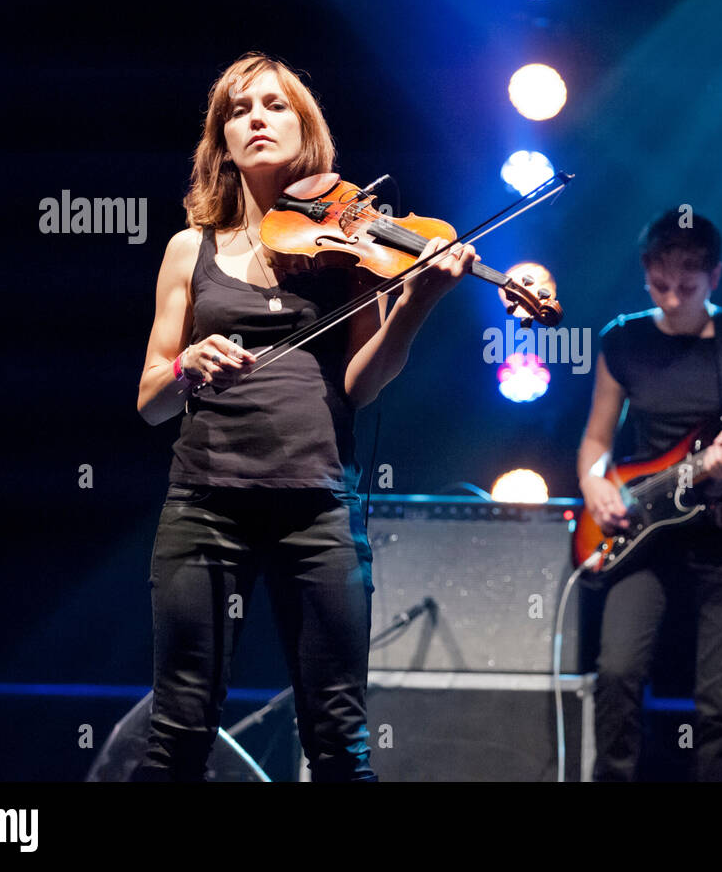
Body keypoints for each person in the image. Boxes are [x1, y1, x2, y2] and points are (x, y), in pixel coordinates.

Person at [133, 52, 476, 781]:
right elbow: (151, 401)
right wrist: (187, 365)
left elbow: (359, 384)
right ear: (221, 140)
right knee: (179, 731)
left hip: (318, 503)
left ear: (304, 125)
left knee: (340, 740)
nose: (255, 118)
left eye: (274, 105)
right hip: (204, 502)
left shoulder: (354, 243)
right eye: (238, 109)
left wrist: (415, 306)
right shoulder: (188, 249)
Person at [575, 209, 722, 781]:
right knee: (617, 674)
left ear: (714, 277)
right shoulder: (623, 338)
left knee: (718, 703)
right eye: (660, 284)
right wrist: (595, 481)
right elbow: (597, 438)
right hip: (645, 531)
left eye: (687, 286)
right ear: (646, 271)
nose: (672, 299)